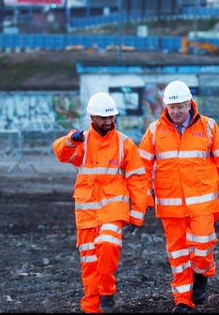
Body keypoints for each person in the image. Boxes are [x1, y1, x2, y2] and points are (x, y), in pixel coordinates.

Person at [138, 80, 219, 313]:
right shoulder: (154, 130)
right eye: (172, 107)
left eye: (181, 106)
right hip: (170, 207)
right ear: (166, 107)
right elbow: (141, 167)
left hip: (203, 202)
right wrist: (145, 198)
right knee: (178, 253)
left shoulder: (208, 127)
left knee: (202, 247)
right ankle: (183, 299)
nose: (177, 111)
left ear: (190, 104)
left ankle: (201, 274)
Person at [52, 92, 149, 313]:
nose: (108, 121)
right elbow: (60, 153)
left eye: (111, 117)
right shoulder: (82, 142)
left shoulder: (124, 144)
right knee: (90, 265)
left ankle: (107, 290)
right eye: (103, 118)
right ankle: (92, 308)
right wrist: (69, 140)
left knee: (108, 244)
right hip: (86, 214)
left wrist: (137, 213)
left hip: (113, 210)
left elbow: (138, 180)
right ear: (92, 117)